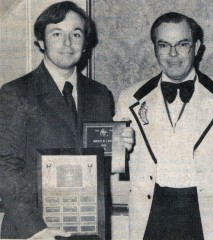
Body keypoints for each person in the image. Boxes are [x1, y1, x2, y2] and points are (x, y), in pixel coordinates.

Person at [0, 1, 134, 239]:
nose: (67, 43)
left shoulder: (100, 94)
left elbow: (98, 166)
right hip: (33, 231)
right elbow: (6, 167)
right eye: (56, 33)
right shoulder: (14, 93)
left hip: (88, 227)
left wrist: (119, 151)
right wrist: (37, 230)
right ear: (41, 42)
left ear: (86, 43)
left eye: (76, 33)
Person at [114, 12, 213, 240]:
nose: (173, 54)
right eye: (164, 45)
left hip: (206, 214)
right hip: (151, 215)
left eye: (182, 44)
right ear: (155, 49)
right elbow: (114, 163)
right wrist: (118, 148)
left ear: (197, 46)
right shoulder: (130, 98)